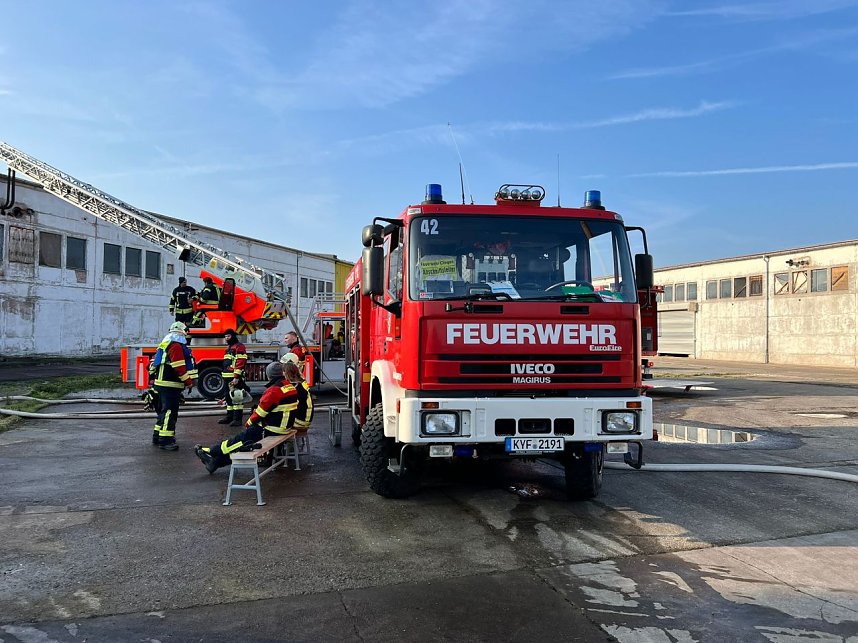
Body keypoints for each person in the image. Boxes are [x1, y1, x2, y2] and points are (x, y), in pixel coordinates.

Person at [194, 360, 301, 474]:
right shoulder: (290, 387)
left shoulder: (274, 390)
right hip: (283, 428)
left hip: (273, 429)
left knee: (241, 439)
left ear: (269, 375)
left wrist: (248, 423)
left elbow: (259, 413)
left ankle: (213, 451)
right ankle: (215, 462)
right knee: (245, 445)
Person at [149, 321, 196, 450]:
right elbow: (179, 367)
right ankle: (165, 441)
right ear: (182, 332)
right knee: (169, 412)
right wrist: (189, 382)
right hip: (170, 385)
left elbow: (154, 365)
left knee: (163, 412)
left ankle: (157, 436)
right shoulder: (176, 346)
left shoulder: (165, 344)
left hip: (162, 384)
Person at [218, 329, 248, 426]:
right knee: (228, 397)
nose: (227, 338)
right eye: (226, 336)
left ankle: (237, 419)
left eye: (228, 336)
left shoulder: (239, 347)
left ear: (233, 336)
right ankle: (229, 417)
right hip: (227, 377)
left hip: (234, 378)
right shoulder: (229, 348)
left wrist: (236, 377)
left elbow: (240, 362)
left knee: (237, 398)